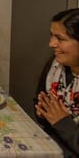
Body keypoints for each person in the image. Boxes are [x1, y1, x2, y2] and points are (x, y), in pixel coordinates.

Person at [35, 8, 79, 157]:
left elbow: (62, 125)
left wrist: (62, 122)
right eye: (52, 36)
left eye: (60, 39)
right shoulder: (55, 66)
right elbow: (39, 100)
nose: (51, 44)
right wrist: (44, 113)